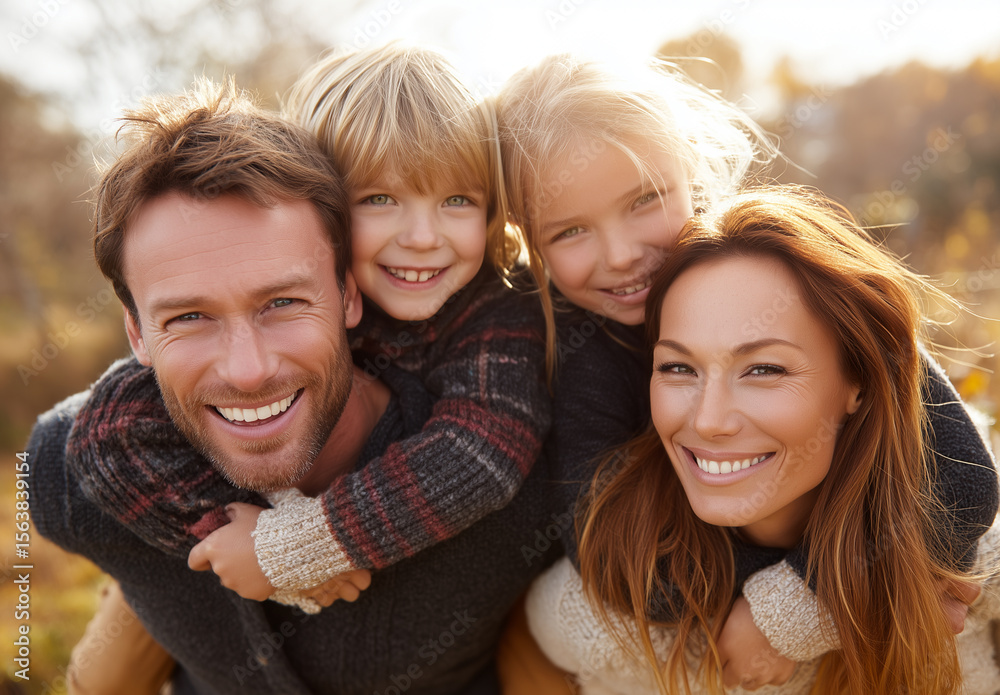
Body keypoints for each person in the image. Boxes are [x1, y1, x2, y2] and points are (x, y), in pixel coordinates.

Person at [29, 77, 557, 695]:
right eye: (189, 317)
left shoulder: (529, 474)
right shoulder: (67, 479)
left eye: (282, 302)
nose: (247, 369)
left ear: (347, 294)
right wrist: (213, 539)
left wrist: (299, 547)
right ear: (137, 334)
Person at [495, 53, 998, 687]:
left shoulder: (783, 275)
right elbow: (624, 571)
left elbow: (964, 481)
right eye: (568, 232)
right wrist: (844, 587)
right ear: (527, 242)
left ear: (694, 176)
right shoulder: (577, 355)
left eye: (645, 199)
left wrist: (797, 608)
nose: (621, 256)